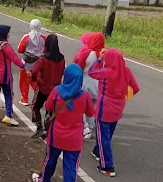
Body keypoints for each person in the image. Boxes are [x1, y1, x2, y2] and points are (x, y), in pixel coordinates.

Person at [31, 64, 95, 182]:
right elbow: (91, 113)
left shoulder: (57, 91)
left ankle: (44, 179)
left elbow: (48, 106)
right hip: (74, 139)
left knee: (50, 161)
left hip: (56, 136)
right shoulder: (84, 95)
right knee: (71, 168)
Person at [88, 49, 140, 177]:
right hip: (118, 108)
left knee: (103, 136)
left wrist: (99, 59)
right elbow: (136, 88)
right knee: (107, 134)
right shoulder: (126, 72)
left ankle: (107, 166)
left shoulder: (106, 72)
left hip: (104, 109)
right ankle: (97, 152)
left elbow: (91, 72)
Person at [0, 25, 26, 126]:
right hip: (5, 76)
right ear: (4, 34)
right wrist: (24, 67)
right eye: (8, 32)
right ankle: (8, 116)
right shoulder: (6, 46)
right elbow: (14, 58)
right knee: (8, 95)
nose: (9, 34)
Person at [30, 34, 65, 138]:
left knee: (35, 107)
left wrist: (35, 79)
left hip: (43, 87)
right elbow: (62, 72)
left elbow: (35, 71)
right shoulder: (62, 59)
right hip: (55, 89)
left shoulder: (43, 59)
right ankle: (48, 128)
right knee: (50, 109)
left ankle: (39, 127)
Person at [73, 31, 105, 139]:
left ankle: (85, 127)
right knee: (92, 107)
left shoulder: (88, 53)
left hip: (86, 82)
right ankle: (90, 127)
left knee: (80, 106)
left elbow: (79, 65)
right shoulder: (104, 54)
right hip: (98, 84)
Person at [17, 19, 46, 106]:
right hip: (38, 63)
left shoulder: (26, 37)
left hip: (27, 63)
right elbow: (46, 50)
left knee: (24, 81)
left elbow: (20, 49)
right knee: (36, 82)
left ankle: (24, 99)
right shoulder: (44, 38)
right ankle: (39, 98)